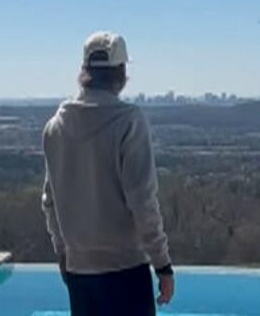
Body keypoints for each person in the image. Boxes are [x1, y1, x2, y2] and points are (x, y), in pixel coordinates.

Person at [41, 31, 175, 316]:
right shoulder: (128, 121)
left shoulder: (55, 128)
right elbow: (142, 201)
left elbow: (49, 202)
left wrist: (63, 252)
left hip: (79, 273)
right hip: (126, 269)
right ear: (121, 73)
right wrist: (162, 264)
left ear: (84, 71)